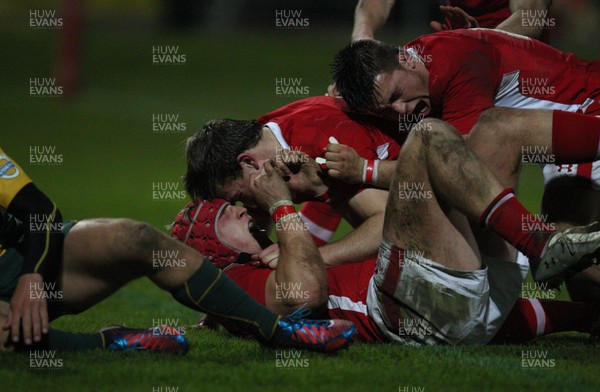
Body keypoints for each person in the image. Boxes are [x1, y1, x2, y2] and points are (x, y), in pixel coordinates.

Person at [173, 118, 600, 344]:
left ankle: (546, 245)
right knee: (428, 137)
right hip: (413, 306)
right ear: (216, 250)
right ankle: (543, 245)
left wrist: (584, 319)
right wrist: (285, 204)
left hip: (439, 300)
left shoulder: (310, 133)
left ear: (248, 161)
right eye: (229, 213)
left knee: (497, 132)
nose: (246, 210)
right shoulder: (243, 279)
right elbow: (304, 296)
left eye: (236, 202)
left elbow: (478, 324)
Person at [0, 147, 357, 353]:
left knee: (135, 236)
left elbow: (41, 214)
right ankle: (112, 342)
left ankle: (278, 331)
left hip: (23, 255)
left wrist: (32, 277)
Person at [351, 0, 552, 42]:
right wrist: (362, 37)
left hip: (517, 63)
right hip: (459, 49)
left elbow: (531, 17)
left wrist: (479, 40)